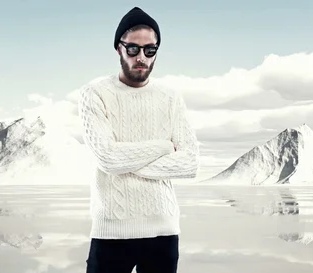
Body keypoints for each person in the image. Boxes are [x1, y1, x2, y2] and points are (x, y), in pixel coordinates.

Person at [77, 6, 199, 273]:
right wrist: (164, 147)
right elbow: (108, 159)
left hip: (164, 232)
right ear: (118, 49)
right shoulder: (95, 94)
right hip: (111, 232)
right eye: (133, 49)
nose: (141, 57)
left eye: (150, 50)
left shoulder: (170, 97)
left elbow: (189, 163)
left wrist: (126, 160)